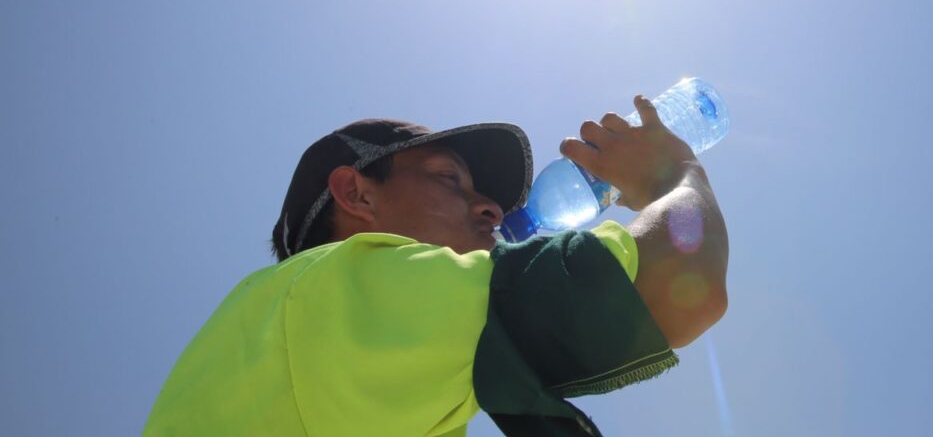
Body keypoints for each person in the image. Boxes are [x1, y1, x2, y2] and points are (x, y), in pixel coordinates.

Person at [143, 95, 729, 437]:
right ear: (356, 193)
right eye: (451, 179)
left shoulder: (281, 331)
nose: (493, 209)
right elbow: (678, 288)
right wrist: (675, 173)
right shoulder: (352, 290)